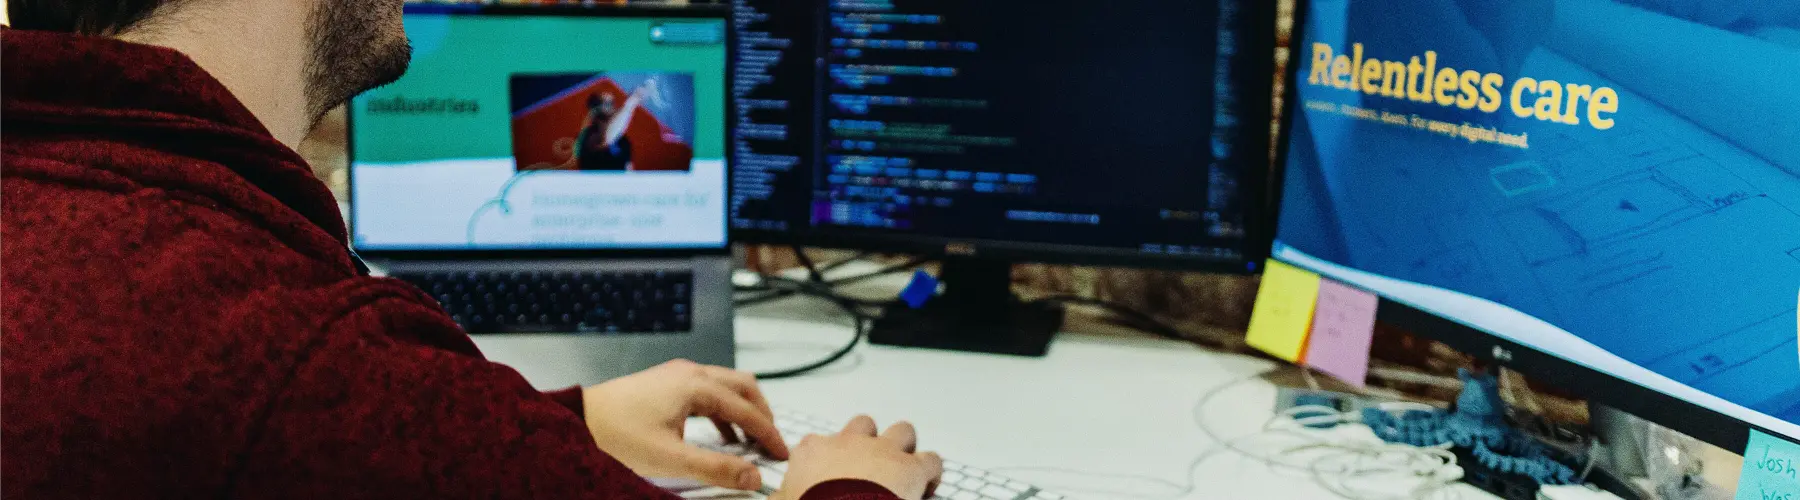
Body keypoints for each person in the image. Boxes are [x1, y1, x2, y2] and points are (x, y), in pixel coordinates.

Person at [0, 1, 943, 499]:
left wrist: (555, 424)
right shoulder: (294, 347)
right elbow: (307, 401)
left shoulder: (56, 199)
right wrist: (845, 490)